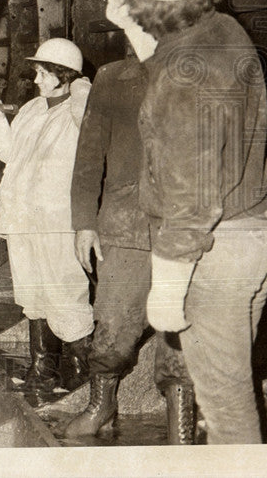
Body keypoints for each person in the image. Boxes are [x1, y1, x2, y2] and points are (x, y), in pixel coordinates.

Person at [105, 0, 267, 444]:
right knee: (227, 395)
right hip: (257, 238)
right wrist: (132, 28)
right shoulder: (223, 31)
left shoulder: (186, 80)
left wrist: (168, 285)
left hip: (213, 253)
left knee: (227, 412)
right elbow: (169, 65)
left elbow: (191, 198)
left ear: (146, 1)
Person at [61, 53, 196, 443]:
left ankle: (181, 431)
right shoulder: (111, 77)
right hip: (125, 223)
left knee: (181, 328)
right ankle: (100, 406)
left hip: (184, 226)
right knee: (114, 324)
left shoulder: (196, 66)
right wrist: (84, 223)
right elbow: (88, 155)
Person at [0, 38, 93, 403]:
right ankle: (43, 371)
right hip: (22, 215)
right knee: (32, 294)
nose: (35, 78)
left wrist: (80, 86)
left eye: (43, 72)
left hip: (57, 218)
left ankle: (81, 376)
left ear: (63, 75)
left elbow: (92, 129)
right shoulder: (30, 108)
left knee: (65, 293)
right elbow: (8, 152)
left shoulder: (79, 110)